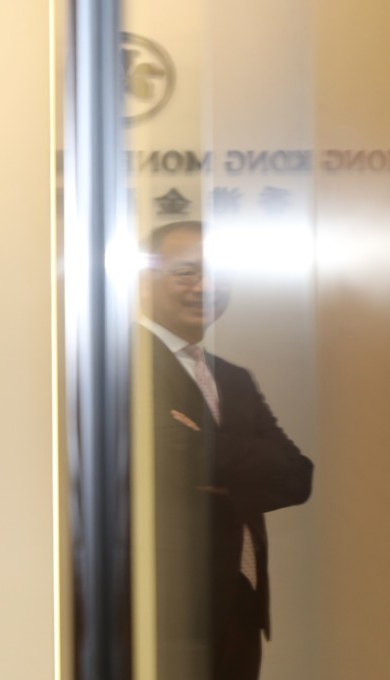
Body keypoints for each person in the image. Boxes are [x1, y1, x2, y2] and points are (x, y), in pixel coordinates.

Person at [140, 220, 313, 680]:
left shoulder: (232, 377)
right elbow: (169, 455)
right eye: (186, 272)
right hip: (156, 607)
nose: (206, 286)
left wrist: (214, 470)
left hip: (240, 601)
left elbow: (297, 475)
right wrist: (239, 464)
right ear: (143, 281)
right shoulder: (121, 360)